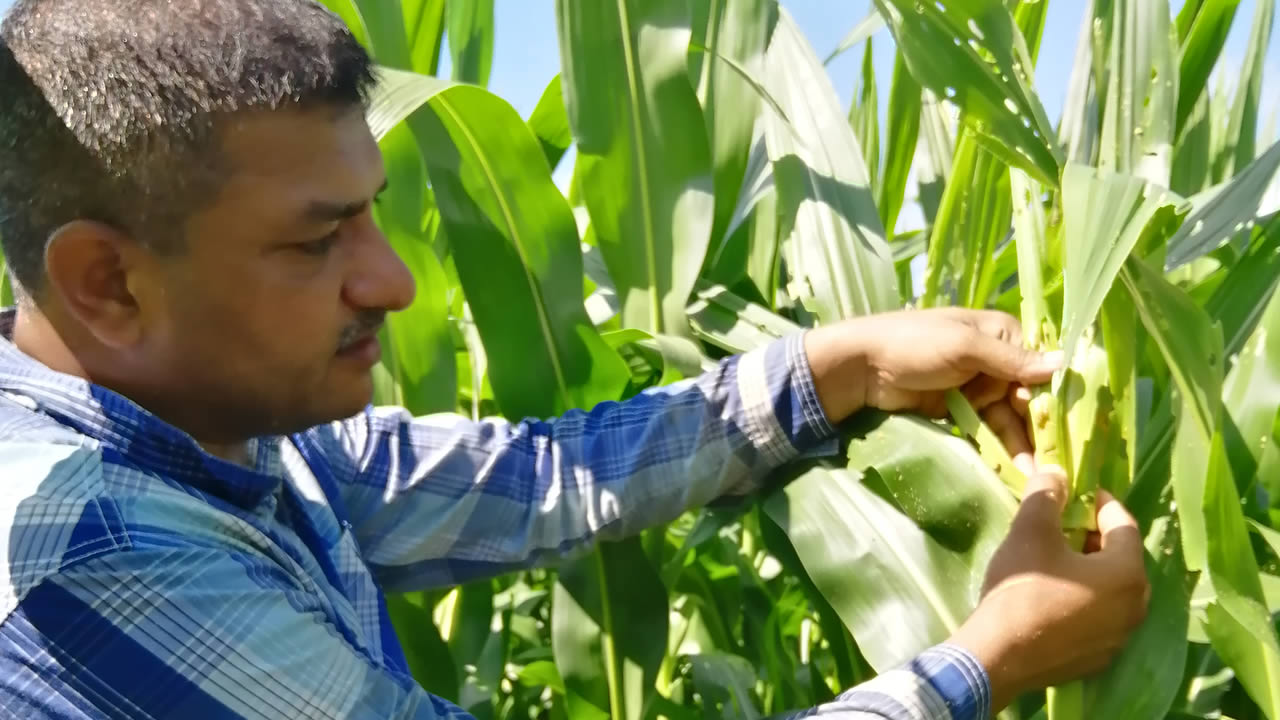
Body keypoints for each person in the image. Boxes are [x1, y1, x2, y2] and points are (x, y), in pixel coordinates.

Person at [0, 1, 1149, 718]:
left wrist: (837, 366)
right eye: (316, 240)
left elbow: (534, 479)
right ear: (109, 282)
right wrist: (980, 666)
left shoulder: (217, 426)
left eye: (371, 216)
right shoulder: (80, 552)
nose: (391, 283)